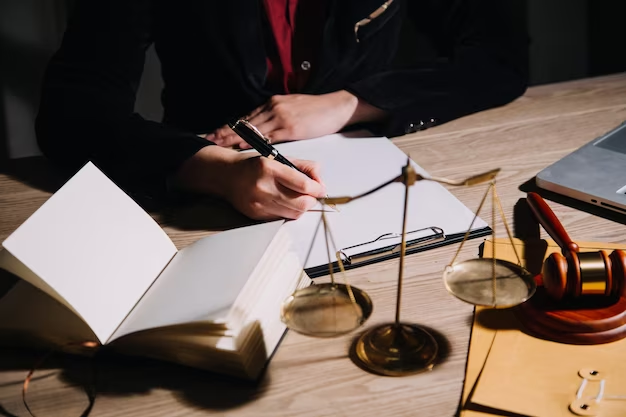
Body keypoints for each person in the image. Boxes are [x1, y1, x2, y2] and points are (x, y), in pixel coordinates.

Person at [36, 0, 528, 220]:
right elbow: (71, 109)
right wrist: (210, 171)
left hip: (367, 191)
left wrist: (350, 104)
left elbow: (500, 58)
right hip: (197, 210)